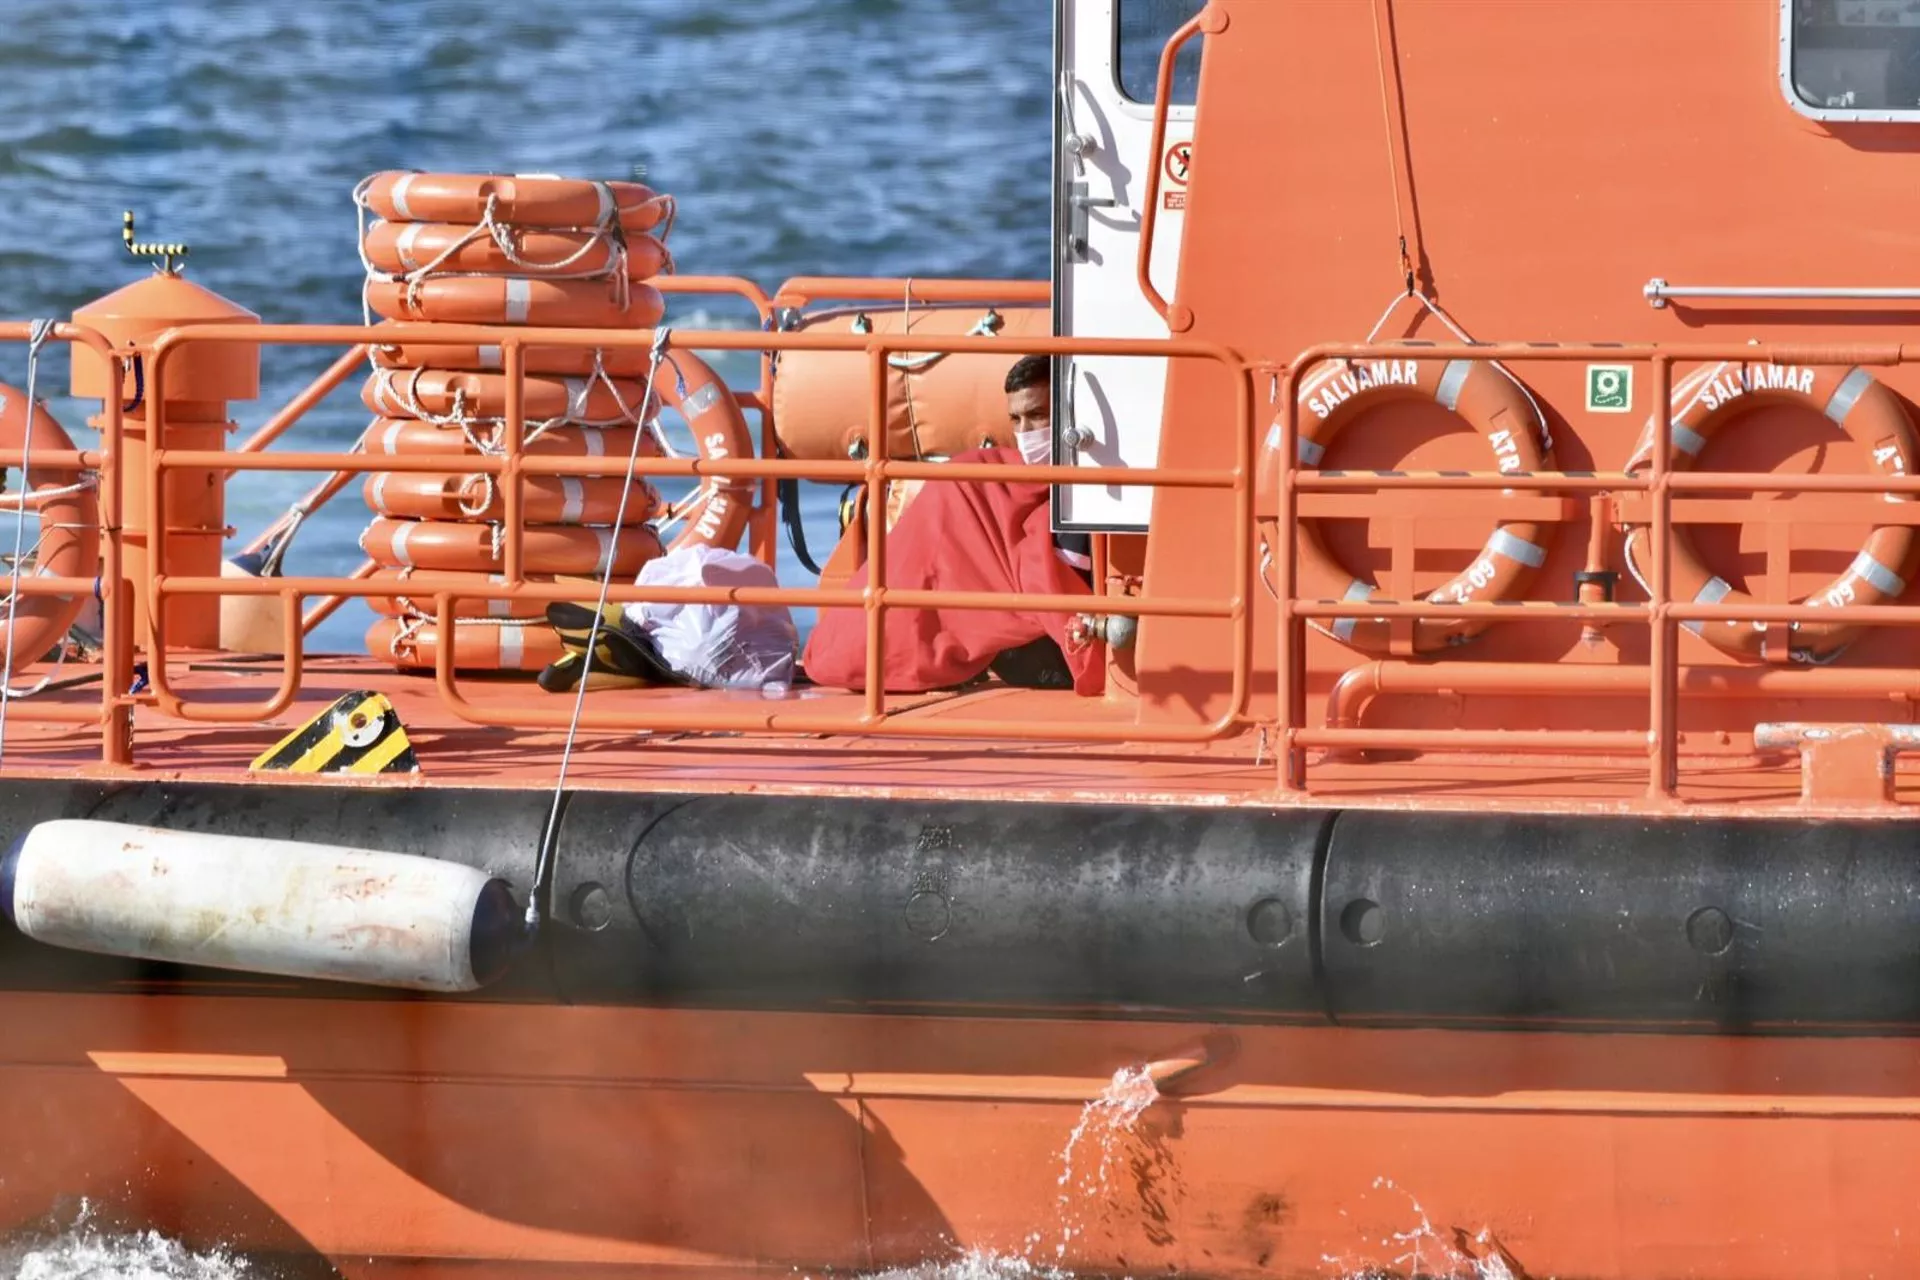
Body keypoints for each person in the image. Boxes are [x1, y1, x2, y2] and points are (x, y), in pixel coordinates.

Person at [799, 356, 1105, 695]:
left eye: (1037, 416)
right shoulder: (981, 473)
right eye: (1016, 419)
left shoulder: (1094, 493)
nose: (1025, 433)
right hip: (901, 632)